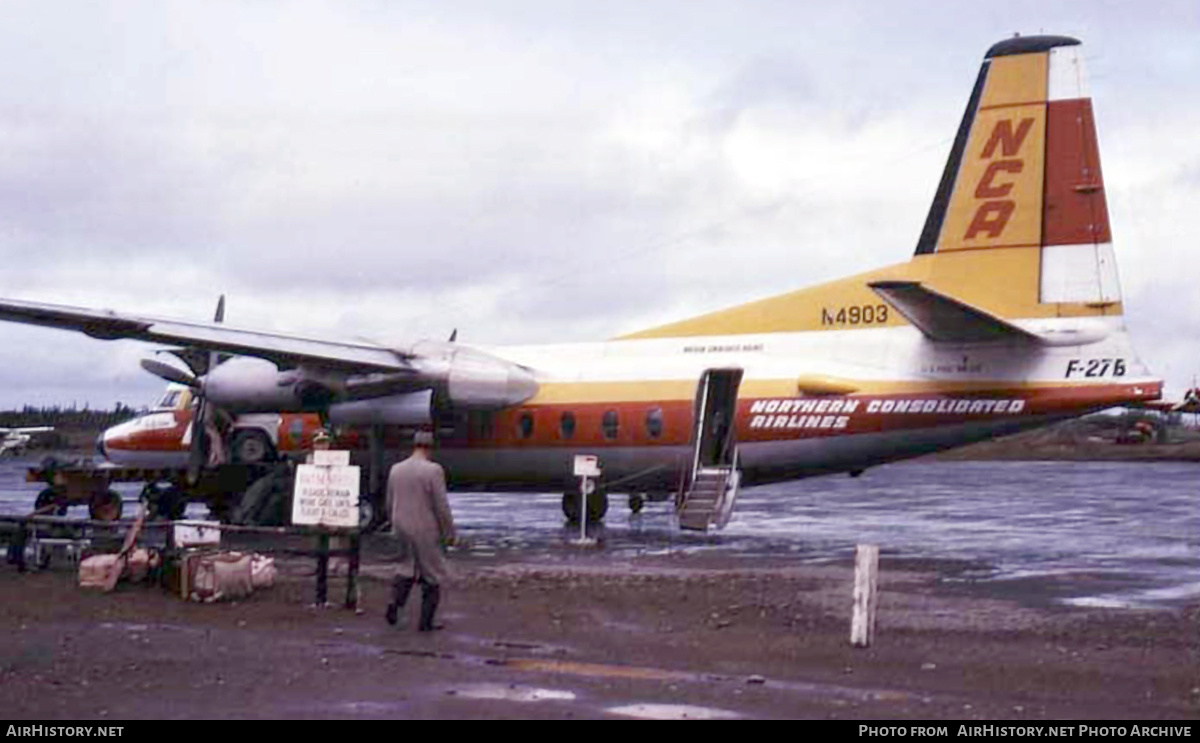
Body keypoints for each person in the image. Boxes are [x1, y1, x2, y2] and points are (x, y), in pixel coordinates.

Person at [384, 430, 455, 632]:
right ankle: (425, 623)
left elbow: (389, 502)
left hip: (400, 525)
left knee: (406, 567)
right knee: (432, 574)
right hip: (424, 528)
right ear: (430, 448)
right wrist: (449, 532)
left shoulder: (396, 469)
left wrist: (393, 522)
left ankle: (394, 604)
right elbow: (441, 506)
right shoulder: (433, 470)